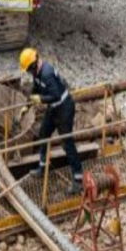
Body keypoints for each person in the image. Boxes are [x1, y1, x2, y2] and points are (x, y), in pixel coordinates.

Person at [20, 48, 83, 193]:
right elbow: (35, 90)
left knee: (67, 142)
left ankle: (78, 179)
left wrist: (40, 99)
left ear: (34, 64)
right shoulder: (36, 74)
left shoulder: (47, 73)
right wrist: (26, 106)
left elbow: (55, 95)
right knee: (43, 134)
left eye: (29, 69)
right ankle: (42, 167)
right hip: (53, 109)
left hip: (64, 108)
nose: (29, 73)